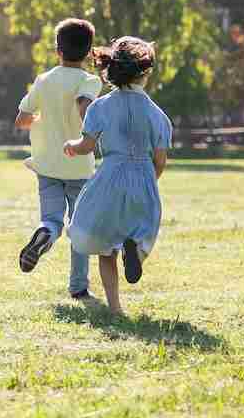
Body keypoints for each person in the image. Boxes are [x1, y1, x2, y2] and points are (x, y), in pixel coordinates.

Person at [64, 36, 172, 314]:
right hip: (144, 177)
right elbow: (160, 161)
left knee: (104, 246)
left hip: (110, 177)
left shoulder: (99, 107)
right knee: (139, 234)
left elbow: (87, 146)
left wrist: (71, 147)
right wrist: (148, 181)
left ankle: (115, 308)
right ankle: (134, 250)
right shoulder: (158, 115)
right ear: (145, 73)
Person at [14, 19, 102, 300]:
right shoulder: (90, 80)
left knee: (51, 219)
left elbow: (22, 120)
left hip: (46, 164)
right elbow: (84, 106)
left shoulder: (44, 79)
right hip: (78, 164)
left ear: (57, 50)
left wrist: (42, 119)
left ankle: (44, 234)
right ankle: (78, 286)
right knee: (79, 227)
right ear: (90, 53)